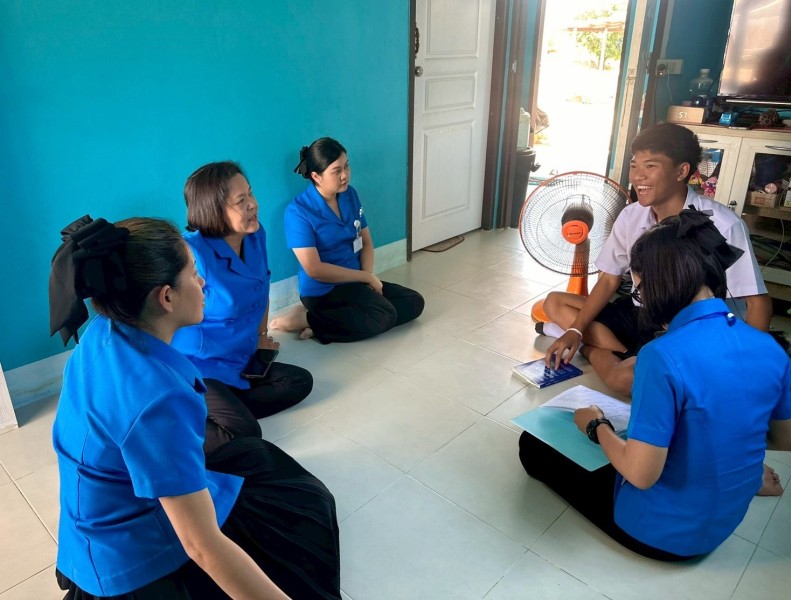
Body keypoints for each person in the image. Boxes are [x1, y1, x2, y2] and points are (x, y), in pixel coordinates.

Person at [49, 216, 341, 599]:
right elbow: (201, 546)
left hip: (92, 526)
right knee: (305, 511)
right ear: (166, 297)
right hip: (130, 557)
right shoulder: (158, 398)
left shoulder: (103, 331)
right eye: (193, 273)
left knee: (255, 453)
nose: (202, 283)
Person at [519, 211, 791, 560]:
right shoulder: (769, 347)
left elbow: (641, 474)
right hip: (724, 521)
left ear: (657, 284)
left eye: (639, 289)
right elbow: (782, 439)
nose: (641, 299)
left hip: (659, 533)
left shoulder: (662, 356)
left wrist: (596, 425)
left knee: (532, 445)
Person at [541, 122, 771, 397]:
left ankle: (596, 351)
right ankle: (627, 353)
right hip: (642, 313)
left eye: (650, 166)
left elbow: (757, 302)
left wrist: (748, 368)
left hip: (690, 328)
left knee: (624, 382)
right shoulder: (631, 215)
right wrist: (576, 331)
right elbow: (609, 279)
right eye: (634, 165)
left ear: (681, 171)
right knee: (554, 302)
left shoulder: (722, 224)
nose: (638, 176)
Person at [171, 162, 313, 453]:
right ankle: (185, 416)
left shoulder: (255, 236)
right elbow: (164, 315)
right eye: (241, 200)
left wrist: (261, 336)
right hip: (200, 367)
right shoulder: (192, 252)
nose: (253, 204)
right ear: (213, 209)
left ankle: (216, 409)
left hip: (240, 359)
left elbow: (262, 287)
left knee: (299, 381)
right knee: (245, 433)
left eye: (251, 194)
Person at [269, 137, 424, 343]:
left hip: (355, 281)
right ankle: (304, 318)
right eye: (336, 171)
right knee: (384, 314)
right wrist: (366, 277)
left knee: (413, 302)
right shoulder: (298, 212)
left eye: (346, 166)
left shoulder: (350, 195)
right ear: (316, 176)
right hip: (323, 291)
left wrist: (366, 279)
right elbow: (314, 269)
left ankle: (320, 324)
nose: (345, 175)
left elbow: (366, 243)